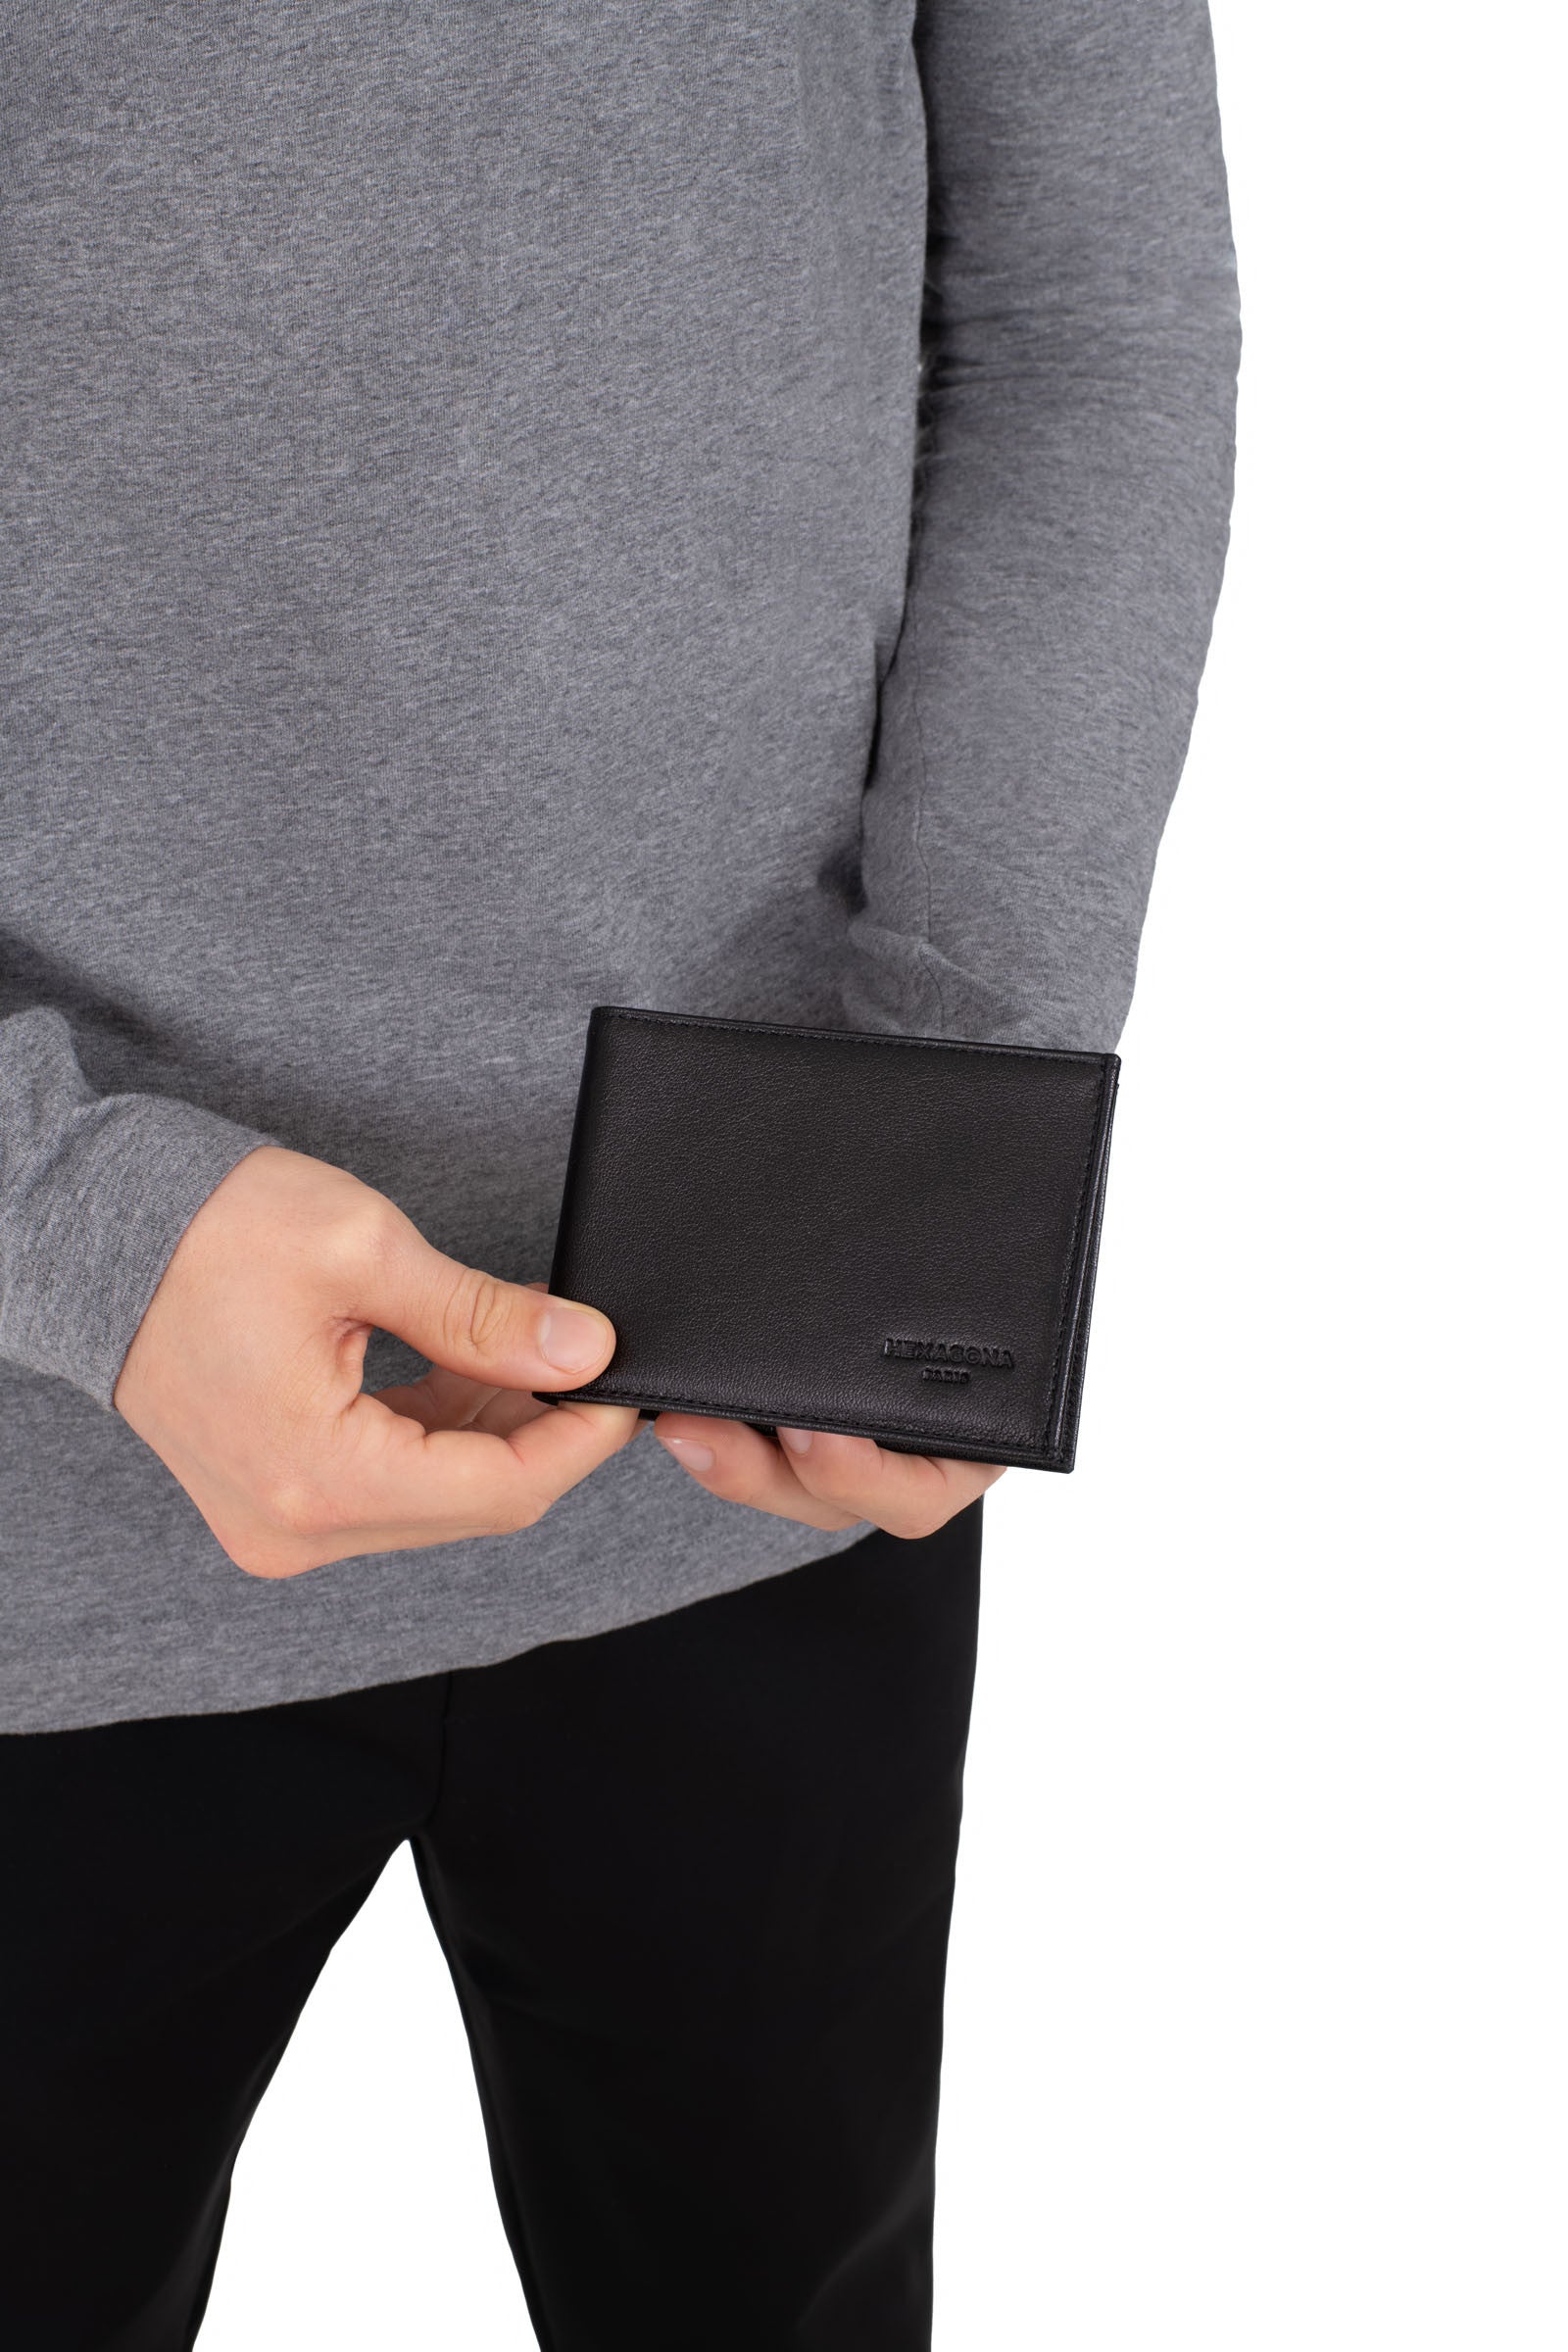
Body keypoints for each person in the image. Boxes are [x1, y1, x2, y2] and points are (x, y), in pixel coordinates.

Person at [0, 3, 1240, 2345]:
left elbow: (1080, 307)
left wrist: (931, 1145)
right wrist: (54, 1217)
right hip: (29, 1497)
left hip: (760, 1426)